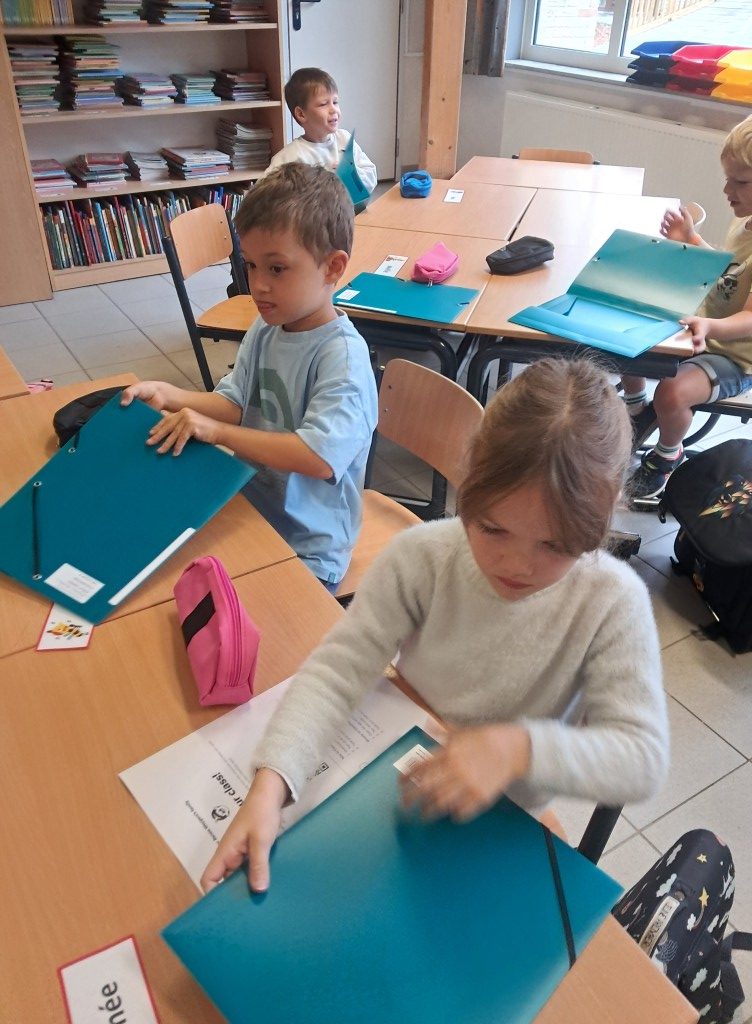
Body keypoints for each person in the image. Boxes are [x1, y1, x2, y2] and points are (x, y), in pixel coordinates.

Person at [201, 358, 669, 895]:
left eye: (555, 545)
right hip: (400, 778)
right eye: (492, 528)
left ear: (599, 524)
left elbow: (643, 759)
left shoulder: (612, 601)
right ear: (469, 485)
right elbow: (338, 670)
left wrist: (517, 749)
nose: (516, 564)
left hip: (504, 821)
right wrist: (271, 783)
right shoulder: (424, 556)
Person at [121, 163, 378, 591]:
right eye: (250, 265)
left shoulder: (343, 360)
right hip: (248, 507)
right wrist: (171, 395)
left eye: (276, 269)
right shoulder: (268, 326)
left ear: (333, 267)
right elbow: (236, 403)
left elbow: (317, 457)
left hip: (307, 548)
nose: (257, 285)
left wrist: (216, 432)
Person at [623, 109, 752, 501]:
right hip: (703, 330)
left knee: (671, 394)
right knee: (626, 335)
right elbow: (729, 269)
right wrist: (692, 240)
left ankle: (667, 454)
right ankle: (635, 410)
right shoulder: (750, 219)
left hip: (736, 356)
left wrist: (709, 327)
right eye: (727, 178)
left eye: (741, 182)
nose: (727, 190)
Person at [264, 67, 377, 197]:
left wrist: (350, 175)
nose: (333, 110)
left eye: (335, 102)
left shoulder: (344, 140)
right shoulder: (291, 156)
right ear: (301, 114)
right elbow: (262, 193)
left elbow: (371, 175)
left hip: (348, 209)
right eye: (323, 104)